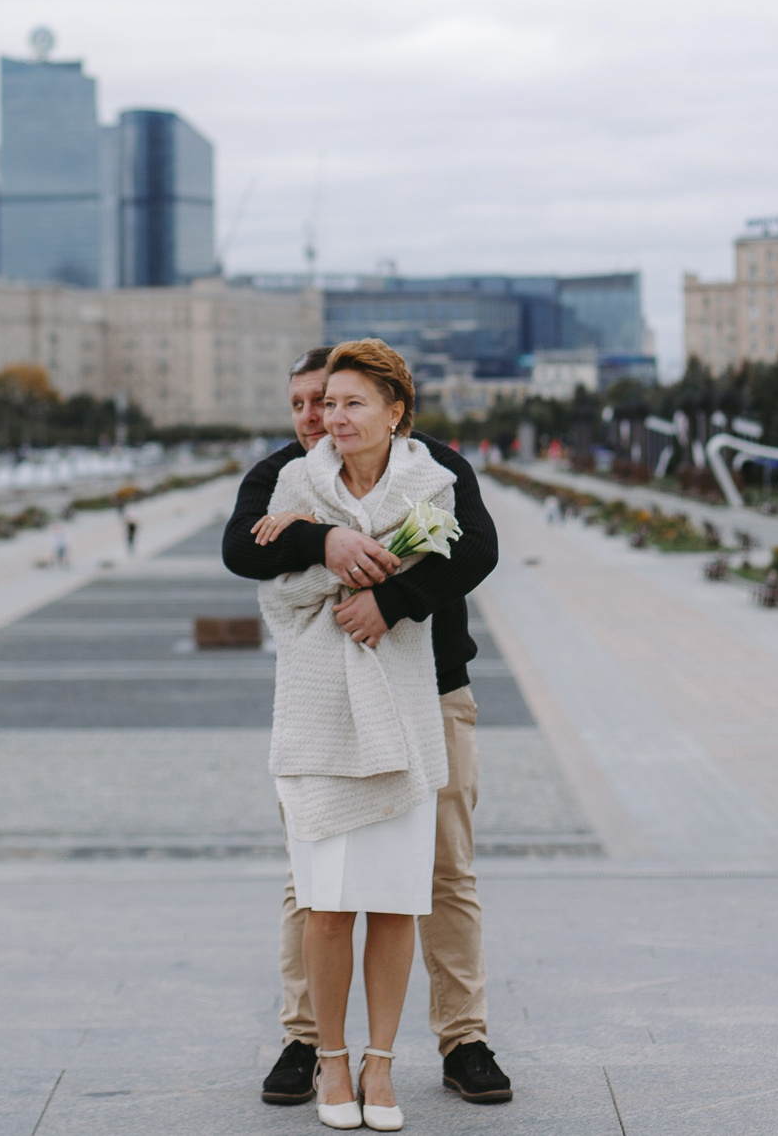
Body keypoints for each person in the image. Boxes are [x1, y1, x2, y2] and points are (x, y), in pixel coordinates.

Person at [226, 345, 513, 1110]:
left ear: (388, 406)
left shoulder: (434, 466)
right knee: (313, 887)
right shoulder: (289, 474)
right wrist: (320, 539)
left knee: (443, 871)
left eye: (337, 398)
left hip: (432, 690)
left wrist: (392, 600)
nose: (320, 416)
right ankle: (307, 1038)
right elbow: (239, 546)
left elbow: (477, 547)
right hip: (328, 706)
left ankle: (464, 1038)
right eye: (306, 404)